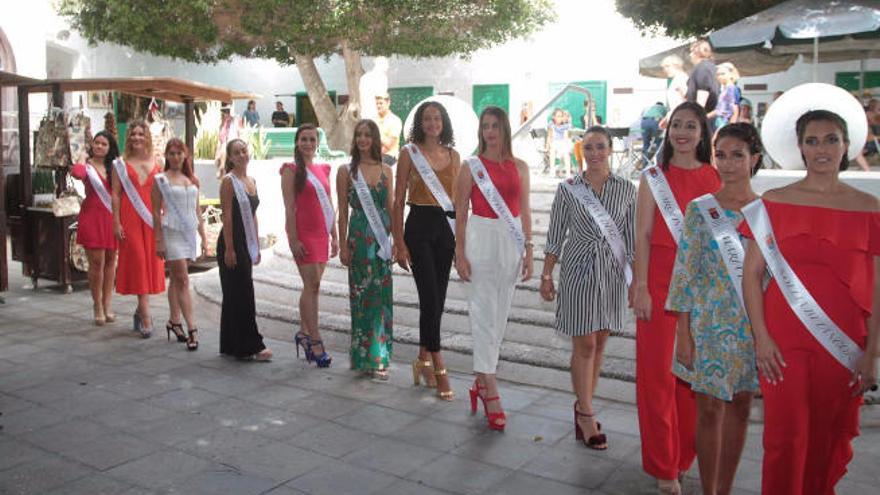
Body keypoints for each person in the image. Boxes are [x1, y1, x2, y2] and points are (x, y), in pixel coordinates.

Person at [741, 109, 880, 494]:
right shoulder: (774, 201)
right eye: (812, 141)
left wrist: (872, 351)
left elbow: (878, 285)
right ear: (800, 148)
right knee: (784, 438)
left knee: (826, 435)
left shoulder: (869, 207)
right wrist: (761, 337)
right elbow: (751, 275)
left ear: (847, 145)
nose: (822, 149)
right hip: (782, 338)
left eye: (831, 139)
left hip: (842, 339)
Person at [666, 123, 762, 495]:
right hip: (706, 326)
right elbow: (684, 274)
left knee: (740, 408)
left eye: (737, 155)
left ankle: (725, 488)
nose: (728, 163)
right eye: (721, 154)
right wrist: (683, 334)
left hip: (750, 328)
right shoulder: (700, 210)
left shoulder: (766, 211)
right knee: (708, 411)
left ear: (754, 158)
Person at [631, 101, 720, 494]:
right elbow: (644, 236)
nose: (682, 132)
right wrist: (641, 286)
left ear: (703, 134)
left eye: (691, 126)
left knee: (691, 381)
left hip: (701, 292)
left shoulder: (717, 179)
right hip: (661, 285)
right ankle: (664, 465)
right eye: (677, 125)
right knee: (657, 380)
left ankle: (684, 456)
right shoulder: (654, 177)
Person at [540, 126, 635, 450]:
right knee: (585, 346)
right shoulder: (569, 189)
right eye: (588, 148)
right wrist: (547, 274)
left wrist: (635, 280)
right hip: (578, 271)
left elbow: (632, 238)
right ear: (582, 152)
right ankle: (587, 414)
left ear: (610, 149)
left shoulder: (626, 189)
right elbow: (555, 233)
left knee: (600, 344)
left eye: (600, 147)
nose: (594, 153)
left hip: (611, 273)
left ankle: (584, 407)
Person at [454, 106, 534, 431]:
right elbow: (460, 212)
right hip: (481, 239)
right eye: (485, 126)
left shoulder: (521, 167)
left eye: (495, 126)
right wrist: (459, 253)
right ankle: (491, 387)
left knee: (499, 317)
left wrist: (529, 251)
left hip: (511, 241)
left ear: (505, 129)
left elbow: (525, 210)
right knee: (483, 314)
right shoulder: (470, 167)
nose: (490, 132)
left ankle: (480, 380)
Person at [393, 101, 460, 400]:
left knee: (438, 300)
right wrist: (398, 242)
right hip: (418, 226)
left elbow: (458, 203)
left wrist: (462, 243)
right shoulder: (409, 153)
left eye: (437, 118)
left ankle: (422, 359)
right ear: (420, 123)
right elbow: (397, 201)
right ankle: (439, 365)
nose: (432, 123)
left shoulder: (455, 156)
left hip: (445, 231)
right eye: (427, 118)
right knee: (430, 298)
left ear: (443, 123)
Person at [337, 120, 395, 379]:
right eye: (359, 135)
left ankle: (380, 356)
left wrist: (397, 242)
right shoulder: (346, 171)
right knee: (361, 299)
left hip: (381, 242)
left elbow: (392, 208)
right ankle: (362, 357)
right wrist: (342, 245)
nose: (362, 139)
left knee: (381, 298)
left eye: (367, 135)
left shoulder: (386, 171)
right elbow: (342, 213)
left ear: (374, 139)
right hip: (358, 240)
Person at [281, 123, 339, 368]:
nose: (307, 143)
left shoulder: (323, 168)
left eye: (312, 139)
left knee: (313, 287)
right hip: (303, 234)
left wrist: (334, 235)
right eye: (303, 139)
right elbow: (289, 207)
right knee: (312, 285)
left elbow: (329, 202)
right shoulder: (291, 170)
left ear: (317, 143)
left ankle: (304, 333)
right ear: (297, 142)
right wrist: (293, 239)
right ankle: (315, 341)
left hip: (321, 234)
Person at [218, 139, 273, 361]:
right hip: (232, 241)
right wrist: (230, 248)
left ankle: (232, 343)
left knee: (236, 292)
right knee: (241, 293)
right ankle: (251, 345)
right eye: (237, 152)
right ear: (230, 158)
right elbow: (227, 216)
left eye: (244, 150)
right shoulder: (229, 182)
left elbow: (253, 214)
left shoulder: (251, 181)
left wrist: (255, 245)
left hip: (246, 241)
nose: (242, 155)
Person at [152, 139, 207, 351]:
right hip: (171, 232)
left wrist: (203, 235)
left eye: (179, 153)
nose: (176, 157)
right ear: (166, 156)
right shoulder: (160, 180)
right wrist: (158, 239)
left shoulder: (192, 180)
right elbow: (156, 212)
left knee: (176, 279)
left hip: (188, 232)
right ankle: (192, 328)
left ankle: (174, 321)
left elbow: (198, 210)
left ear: (185, 156)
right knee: (183, 279)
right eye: (172, 153)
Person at [112, 120, 166, 338]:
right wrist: (116, 222)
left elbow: (164, 190)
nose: (136, 137)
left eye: (140, 134)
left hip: (152, 218)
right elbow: (115, 194)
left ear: (147, 137)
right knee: (138, 262)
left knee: (150, 263)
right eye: (133, 134)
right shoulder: (120, 164)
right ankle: (146, 316)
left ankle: (139, 310)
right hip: (130, 217)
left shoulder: (158, 161)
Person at [71, 131, 120, 326]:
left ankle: (108, 303)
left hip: (111, 217)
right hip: (92, 216)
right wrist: (83, 157)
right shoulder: (87, 165)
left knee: (110, 261)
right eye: (96, 143)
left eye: (104, 144)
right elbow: (77, 173)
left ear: (110, 148)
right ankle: (97, 305)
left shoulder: (114, 166)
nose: (99, 146)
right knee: (96, 262)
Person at [686, 39, 720, 133]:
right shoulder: (712, 67)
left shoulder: (702, 68)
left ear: (697, 52)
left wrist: (697, 117)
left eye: (691, 52)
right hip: (710, 116)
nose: (690, 55)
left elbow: (703, 91)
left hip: (703, 117)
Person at [659, 55, 689, 129]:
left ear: (676, 65)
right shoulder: (676, 79)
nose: (665, 69)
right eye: (664, 67)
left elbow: (686, 99)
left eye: (667, 66)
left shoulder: (681, 78)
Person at [708, 63, 737, 130]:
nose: (720, 76)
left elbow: (735, 111)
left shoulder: (731, 89)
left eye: (723, 74)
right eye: (718, 74)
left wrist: (731, 129)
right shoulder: (725, 90)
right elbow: (719, 109)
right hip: (720, 123)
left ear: (731, 74)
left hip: (725, 124)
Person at [375, 93, 402, 165]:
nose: (378, 106)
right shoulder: (374, 120)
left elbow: (389, 145)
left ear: (388, 103)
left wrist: (377, 134)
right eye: (377, 103)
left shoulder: (395, 120)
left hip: (389, 156)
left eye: (381, 103)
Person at [547, 108, 573, 178]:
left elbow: (567, 138)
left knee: (566, 152)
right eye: (558, 116)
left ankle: (568, 173)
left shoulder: (566, 125)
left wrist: (570, 121)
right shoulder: (551, 124)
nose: (560, 118)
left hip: (563, 143)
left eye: (561, 116)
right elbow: (549, 136)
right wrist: (547, 145)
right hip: (554, 143)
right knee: (552, 149)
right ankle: (552, 170)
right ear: (554, 117)